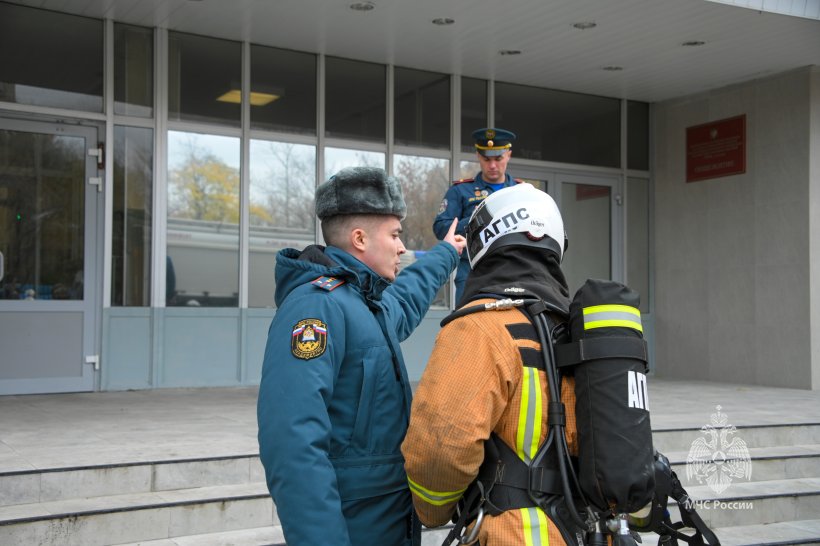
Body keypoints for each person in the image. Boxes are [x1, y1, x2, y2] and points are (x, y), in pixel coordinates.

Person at [257, 166, 466, 546]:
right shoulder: (316, 308)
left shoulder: (368, 304)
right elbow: (293, 442)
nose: (402, 247)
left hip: (386, 520)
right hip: (354, 527)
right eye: (395, 235)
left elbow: (408, 296)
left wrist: (447, 255)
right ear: (359, 239)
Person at [402, 183, 580, 545]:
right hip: (587, 530)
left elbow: (441, 448)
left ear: (484, 242)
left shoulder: (479, 327)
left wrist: (432, 509)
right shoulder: (580, 330)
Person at [432, 127, 520, 305]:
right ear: (478, 157)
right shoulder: (460, 191)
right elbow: (441, 228)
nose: (492, 165)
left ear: (509, 155)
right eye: (487, 159)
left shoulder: (521, 192)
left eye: (498, 158)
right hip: (472, 273)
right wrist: (477, 218)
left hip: (512, 272)